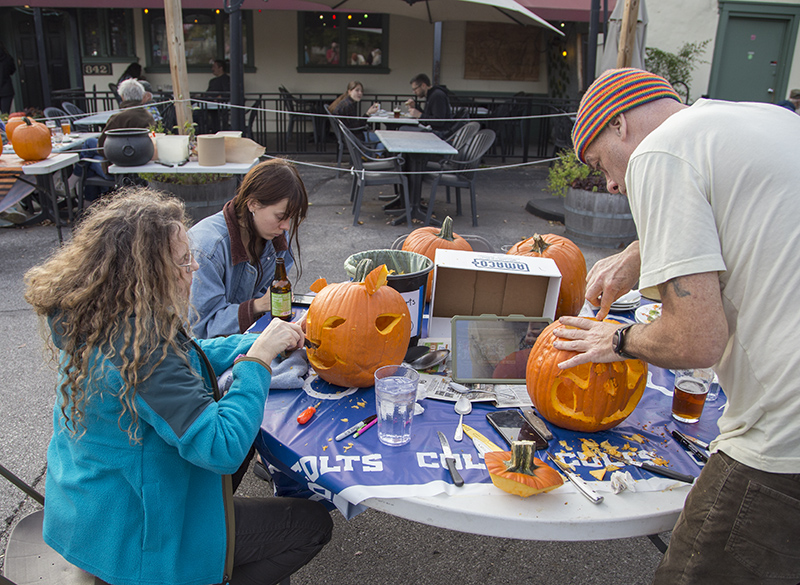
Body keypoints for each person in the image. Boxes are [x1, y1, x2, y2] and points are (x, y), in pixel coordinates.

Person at [553, 68, 800, 585]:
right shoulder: (763, 120)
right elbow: (742, 215)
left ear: (619, 123)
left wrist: (615, 339)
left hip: (785, 440)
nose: (613, 184)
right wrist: (639, 252)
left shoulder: (657, 155)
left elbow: (695, 339)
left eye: (599, 164)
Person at [23, 189, 332, 585]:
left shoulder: (99, 315)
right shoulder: (144, 353)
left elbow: (188, 352)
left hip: (91, 509)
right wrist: (255, 363)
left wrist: (261, 340)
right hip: (133, 536)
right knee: (309, 524)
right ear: (147, 274)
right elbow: (221, 447)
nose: (195, 268)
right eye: (185, 260)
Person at [189, 159, 309, 339]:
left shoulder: (276, 235)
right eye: (280, 216)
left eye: (290, 218)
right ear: (252, 203)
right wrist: (257, 306)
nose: (286, 226)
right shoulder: (207, 249)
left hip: (243, 337)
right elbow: (202, 328)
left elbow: (268, 296)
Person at [405, 73, 452, 137]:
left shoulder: (437, 96)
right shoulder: (431, 95)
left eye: (415, 89)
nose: (414, 92)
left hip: (439, 133)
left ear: (423, 85)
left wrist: (419, 115)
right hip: (433, 130)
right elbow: (427, 117)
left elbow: (439, 121)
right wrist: (415, 107)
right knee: (405, 127)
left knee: (403, 129)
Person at [0, 41, 16, 115]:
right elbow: (12, 70)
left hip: (5, 90)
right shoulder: (7, 58)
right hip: (6, 90)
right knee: (5, 114)